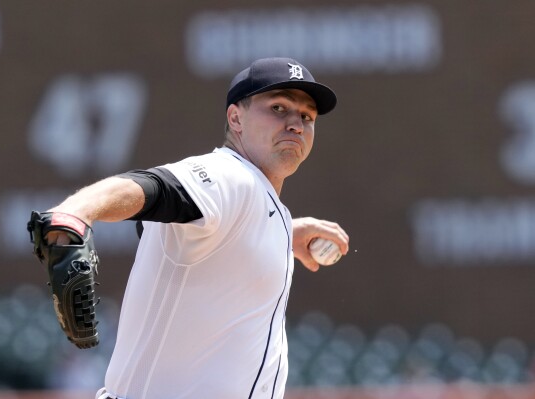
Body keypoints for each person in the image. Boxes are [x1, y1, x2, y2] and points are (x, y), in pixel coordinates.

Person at [45, 57, 349, 399]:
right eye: (278, 107)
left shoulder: (252, 202)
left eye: (307, 117)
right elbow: (152, 187)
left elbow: (201, 237)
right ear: (236, 118)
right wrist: (74, 213)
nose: (296, 123)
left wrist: (283, 232)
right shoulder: (230, 175)